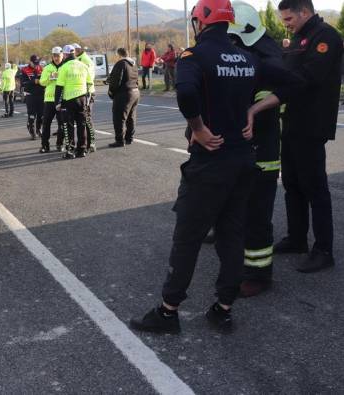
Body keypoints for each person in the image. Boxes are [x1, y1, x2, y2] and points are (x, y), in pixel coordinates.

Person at [129, 0, 264, 333]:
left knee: (188, 238)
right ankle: (223, 307)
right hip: (243, 160)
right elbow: (287, 81)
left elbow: (186, 92)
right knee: (232, 236)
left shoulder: (195, 55)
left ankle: (167, 311)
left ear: (199, 23)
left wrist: (199, 128)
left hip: (211, 163)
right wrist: (252, 113)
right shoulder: (247, 57)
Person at [245, 0, 343, 273]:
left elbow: (305, 79)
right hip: (290, 122)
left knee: (315, 188)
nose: (285, 24)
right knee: (291, 183)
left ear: (304, 12)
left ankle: (323, 250)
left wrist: (260, 105)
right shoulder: (300, 37)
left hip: (311, 125)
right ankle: (297, 238)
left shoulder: (327, 37)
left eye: (288, 19)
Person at [226, 1, 284, 296]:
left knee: (257, 215)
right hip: (250, 147)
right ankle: (245, 265)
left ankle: (259, 276)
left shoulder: (267, 58)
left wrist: (250, 109)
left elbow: (278, 94)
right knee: (244, 211)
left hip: (263, 152)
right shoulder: (257, 50)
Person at [55, 44, 92, 159]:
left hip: (69, 100)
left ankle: (70, 151)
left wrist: (57, 103)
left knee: (68, 126)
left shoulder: (64, 67)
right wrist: (87, 98)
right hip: (82, 99)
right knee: (81, 125)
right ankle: (82, 150)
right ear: (74, 53)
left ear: (65, 55)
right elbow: (89, 83)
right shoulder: (83, 65)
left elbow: (59, 86)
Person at [106, 47, 140, 148]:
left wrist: (112, 92)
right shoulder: (133, 64)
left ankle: (119, 140)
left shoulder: (121, 63)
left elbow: (116, 80)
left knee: (119, 117)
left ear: (119, 55)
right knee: (131, 117)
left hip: (124, 93)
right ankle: (129, 138)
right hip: (135, 91)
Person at [39, 47, 67, 153]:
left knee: (62, 124)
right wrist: (51, 77)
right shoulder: (47, 68)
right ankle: (45, 145)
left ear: (62, 56)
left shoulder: (65, 66)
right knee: (46, 124)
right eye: (54, 56)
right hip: (50, 100)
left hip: (62, 99)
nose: (56, 58)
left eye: (58, 56)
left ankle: (60, 144)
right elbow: (42, 82)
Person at [74, 43, 97, 152]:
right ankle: (85, 143)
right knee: (82, 118)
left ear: (77, 50)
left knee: (87, 118)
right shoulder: (79, 59)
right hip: (80, 92)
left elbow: (89, 78)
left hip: (87, 92)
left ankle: (91, 143)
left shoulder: (85, 61)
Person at [19, 55, 45, 140]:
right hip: (30, 95)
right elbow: (23, 83)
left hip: (41, 95)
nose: (36, 65)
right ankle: (32, 131)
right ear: (30, 62)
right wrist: (33, 81)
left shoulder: (41, 69)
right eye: (35, 63)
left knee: (41, 115)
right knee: (32, 115)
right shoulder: (24, 70)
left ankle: (38, 129)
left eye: (37, 63)